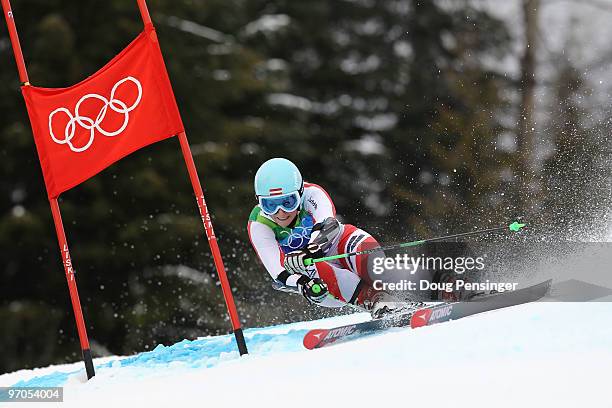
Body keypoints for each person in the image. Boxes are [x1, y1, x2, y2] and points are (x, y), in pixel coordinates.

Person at [247, 157, 415, 318]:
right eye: (270, 205)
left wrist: (311, 248)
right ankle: (377, 301)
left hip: (337, 242)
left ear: (300, 192)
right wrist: (303, 284)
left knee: (373, 263)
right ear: (259, 203)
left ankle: (421, 284)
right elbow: (278, 272)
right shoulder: (259, 224)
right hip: (315, 273)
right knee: (310, 267)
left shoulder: (312, 194)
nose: (280, 212)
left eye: (288, 202)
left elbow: (328, 226)